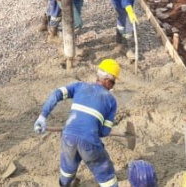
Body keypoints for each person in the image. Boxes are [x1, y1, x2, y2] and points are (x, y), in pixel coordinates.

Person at [34, 59, 121, 187]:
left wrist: (42, 117)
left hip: (67, 136)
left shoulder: (79, 86)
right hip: (89, 142)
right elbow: (104, 132)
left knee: (67, 168)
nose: (112, 86)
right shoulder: (111, 101)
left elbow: (56, 94)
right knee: (105, 172)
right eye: (113, 82)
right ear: (107, 81)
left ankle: (65, 184)